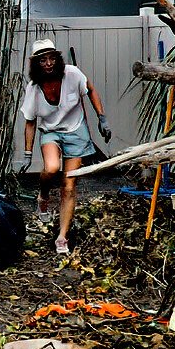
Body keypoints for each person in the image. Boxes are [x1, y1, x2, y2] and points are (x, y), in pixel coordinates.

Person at [17, 39, 110, 255]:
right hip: (50, 131)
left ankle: (62, 237)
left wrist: (102, 118)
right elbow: (30, 122)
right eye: (43, 60)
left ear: (57, 59)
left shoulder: (73, 74)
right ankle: (43, 195)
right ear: (36, 64)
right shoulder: (33, 88)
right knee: (51, 168)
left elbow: (91, 90)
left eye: (51, 58)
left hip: (76, 131)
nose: (48, 63)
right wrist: (27, 153)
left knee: (69, 185)